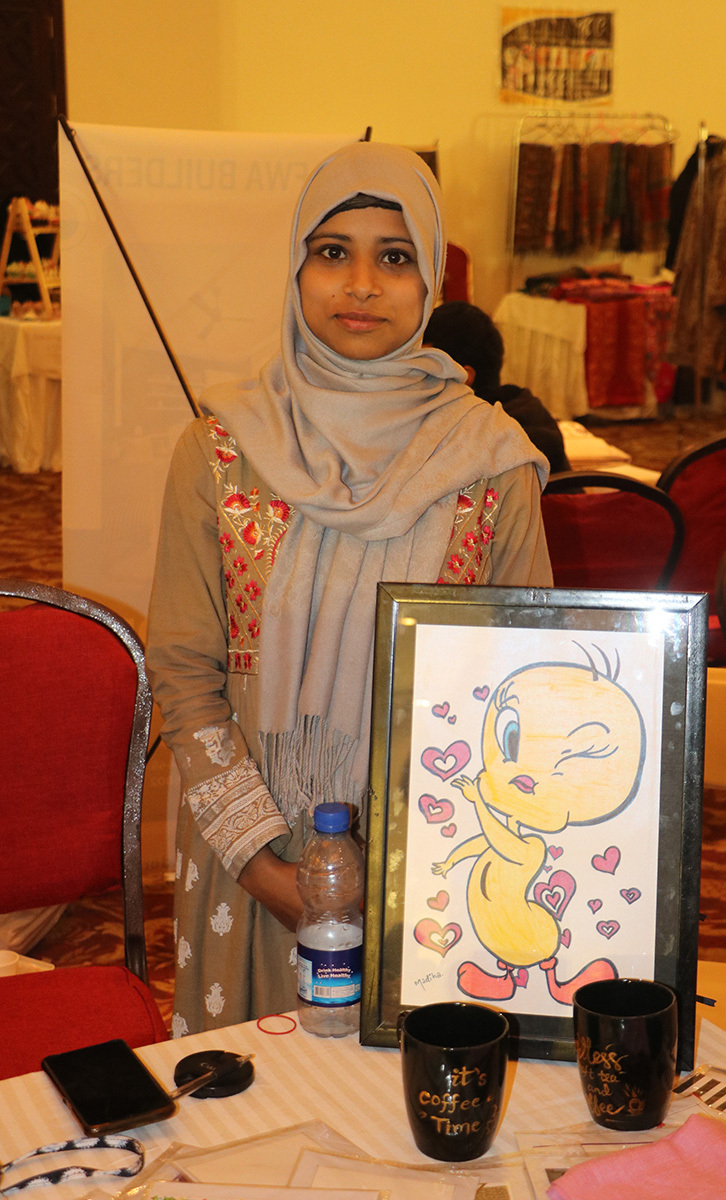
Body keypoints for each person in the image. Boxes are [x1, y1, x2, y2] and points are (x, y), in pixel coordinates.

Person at [145, 141, 553, 1036]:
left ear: (430, 279)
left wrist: (409, 868)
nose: (361, 284)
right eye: (332, 252)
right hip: (248, 856)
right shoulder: (217, 450)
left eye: (394, 257)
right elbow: (182, 669)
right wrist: (263, 867)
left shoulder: (493, 463)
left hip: (438, 866)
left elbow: (523, 693)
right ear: (295, 270)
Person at [424, 300, 570, 474]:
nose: (413, 378)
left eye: (425, 368)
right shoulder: (522, 406)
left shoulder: (496, 438)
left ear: (464, 376)